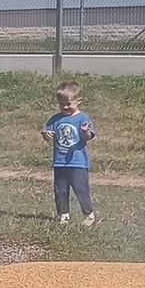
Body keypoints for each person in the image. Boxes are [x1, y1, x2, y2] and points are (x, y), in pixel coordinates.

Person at [42, 82, 97, 227]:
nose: (65, 107)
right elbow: (46, 133)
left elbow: (88, 137)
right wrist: (46, 135)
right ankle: (63, 215)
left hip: (78, 162)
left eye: (68, 104)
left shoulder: (83, 118)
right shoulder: (56, 119)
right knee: (60, 190)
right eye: (61, 104)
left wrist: (85, 131)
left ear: (78, 101)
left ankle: (88, 214)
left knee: (80, 189)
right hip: (59, 162)